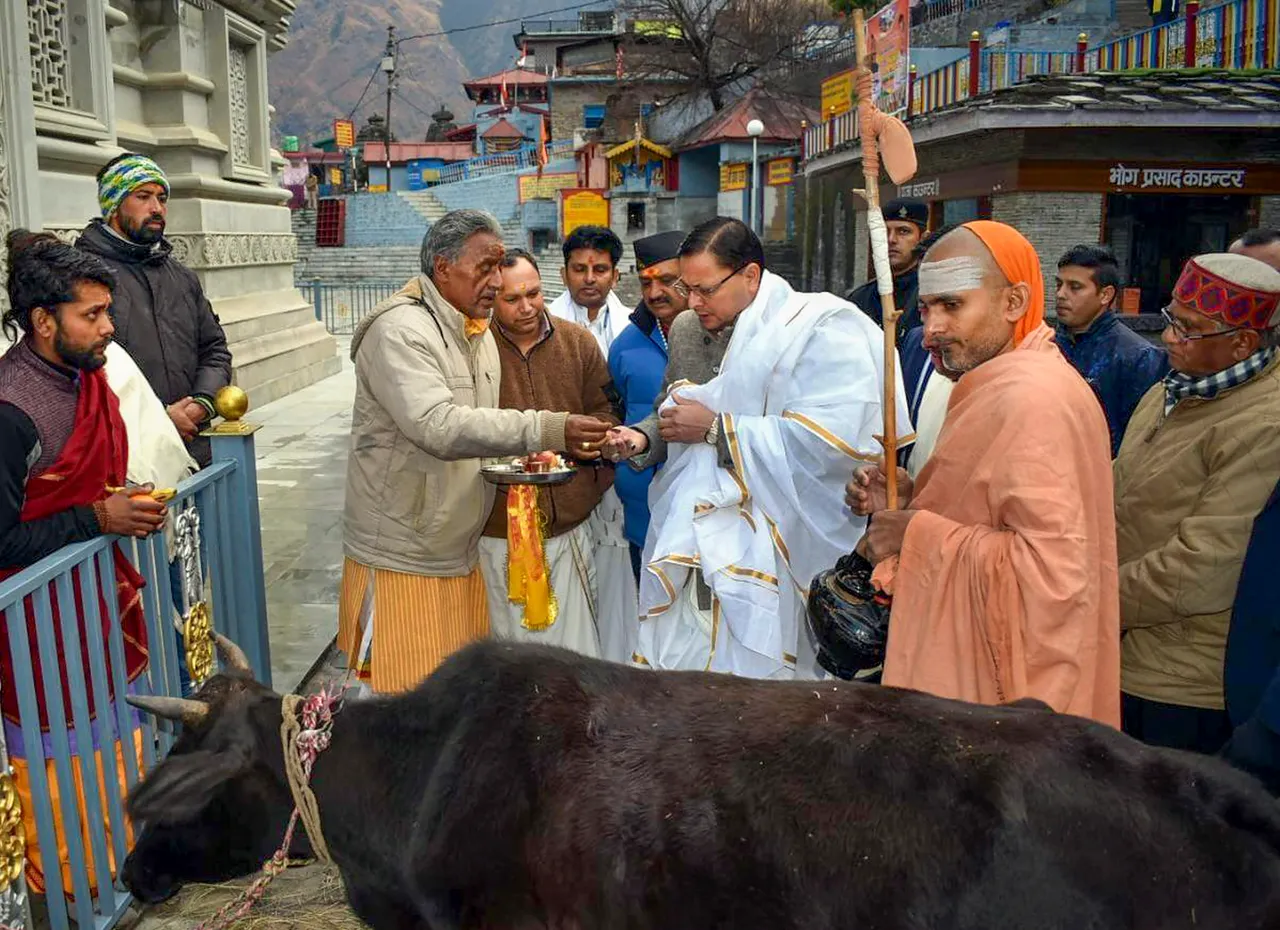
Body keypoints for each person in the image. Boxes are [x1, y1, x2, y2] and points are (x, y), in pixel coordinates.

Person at [849, 221, 1120, 725]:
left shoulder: (1030, 398)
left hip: (1011, 702)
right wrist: (910, 501)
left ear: (1014, 303)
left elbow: (1052, 576)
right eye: (927, 308)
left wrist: (917, 532)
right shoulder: (1002, 379)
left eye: (952, 306)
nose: (931, 329)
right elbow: (987, 512)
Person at [618, 217, 909, 679]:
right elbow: (672, 406)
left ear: (750, 276)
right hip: (707, 536)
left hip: (788, 537)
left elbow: (828, 444)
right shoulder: (689, 328)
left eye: (705, 290)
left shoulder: (818, 328)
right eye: (685, 287)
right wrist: (652, 431)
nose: (691, 302)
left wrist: (718, 429)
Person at [337, 210, 613, 693]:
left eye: (500, 266)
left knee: (452, 696)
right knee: (396, 698)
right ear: (443, 268)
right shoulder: (401, 331)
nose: (495, 279)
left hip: (455, 545)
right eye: (485, 268)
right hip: (407, 549)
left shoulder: (474, 329)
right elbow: (438, 426)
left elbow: (480, 433)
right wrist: (549, 430)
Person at [0, 230, 167, 896]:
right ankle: (70, 883)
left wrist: (114, 502)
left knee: (113, 726)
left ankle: (121, 859)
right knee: (56, 746)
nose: (108, 328)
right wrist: (100, 519)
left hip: (92, 602)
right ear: (44, 323)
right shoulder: (12, 410)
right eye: (91, 315)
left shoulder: (84, 380)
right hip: (34, 626)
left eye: (108, 311)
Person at [1113, 252, 1280, 753]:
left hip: (1185, 682)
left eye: (1187, 329)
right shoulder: (1171, 389)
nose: (1168, 338)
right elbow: (1123, 488)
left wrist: (1088, 599)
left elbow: (1202, 568)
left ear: (1243, 343)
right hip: (1127, 652)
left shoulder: (1265, 423)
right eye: (1169, 320)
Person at [478, 250, 617, 657]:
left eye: (534, 294)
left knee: (575, 657)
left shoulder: (577, 343)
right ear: (492, 298)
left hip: (567, 527)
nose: (526, 307)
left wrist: (591, 454)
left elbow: (606, 410)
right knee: (506, 658)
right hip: (496, 532)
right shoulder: (475, 348)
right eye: (512, 299)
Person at [76, 153, 233, 467]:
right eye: (143, 197)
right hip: (127, 457)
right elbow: (77, 371)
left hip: (195, 446)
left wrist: (202, 402)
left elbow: (214, 349)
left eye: (162, 198)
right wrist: (158, 418)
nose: (157, 208)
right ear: (114, 206)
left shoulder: (182, 278)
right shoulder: (81, 279)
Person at [607, 229, 689, 578]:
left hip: (700, 507)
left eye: (667, 280)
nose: (655, 292)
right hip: (643, 511)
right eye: (645, 282)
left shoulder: (724, 336)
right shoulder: (624, 346)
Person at [1053, 244, 1168, 456]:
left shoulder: (1138, 357)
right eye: (1059, 284)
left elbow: (1141, 442)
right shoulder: (1046, 344)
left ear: (1105, 295)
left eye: (1075, 287)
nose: (1061, 294)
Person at [846, 198, 927, 343]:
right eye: (884, 231)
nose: (891, 239)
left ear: (923, 238)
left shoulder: (930, 297)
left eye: (903, 231)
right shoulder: (861, 298)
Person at [548, 224, 629, 356]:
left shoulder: (632, 326)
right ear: (564, 275)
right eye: (579, 269)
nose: (589, 279)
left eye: (600, 270)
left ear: (615, 277)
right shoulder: (544, 325)